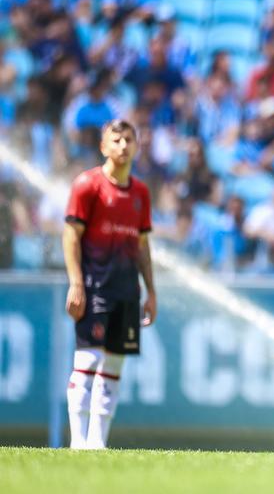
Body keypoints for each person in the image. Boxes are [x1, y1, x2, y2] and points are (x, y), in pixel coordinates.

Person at [62, 119, 157, 449]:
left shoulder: (141, 193)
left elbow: (143, 246)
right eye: (115, 140)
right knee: (87, 362)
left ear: (136, 146)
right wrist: (76, 283)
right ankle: (77, 442)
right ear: (104, 147)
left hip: (127, 292)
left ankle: (98, 443)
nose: (122, 145)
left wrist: (151, 291)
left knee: (114, 366)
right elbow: (70, 236)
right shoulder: (87, 185)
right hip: (94, 287)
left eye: (128, 139)